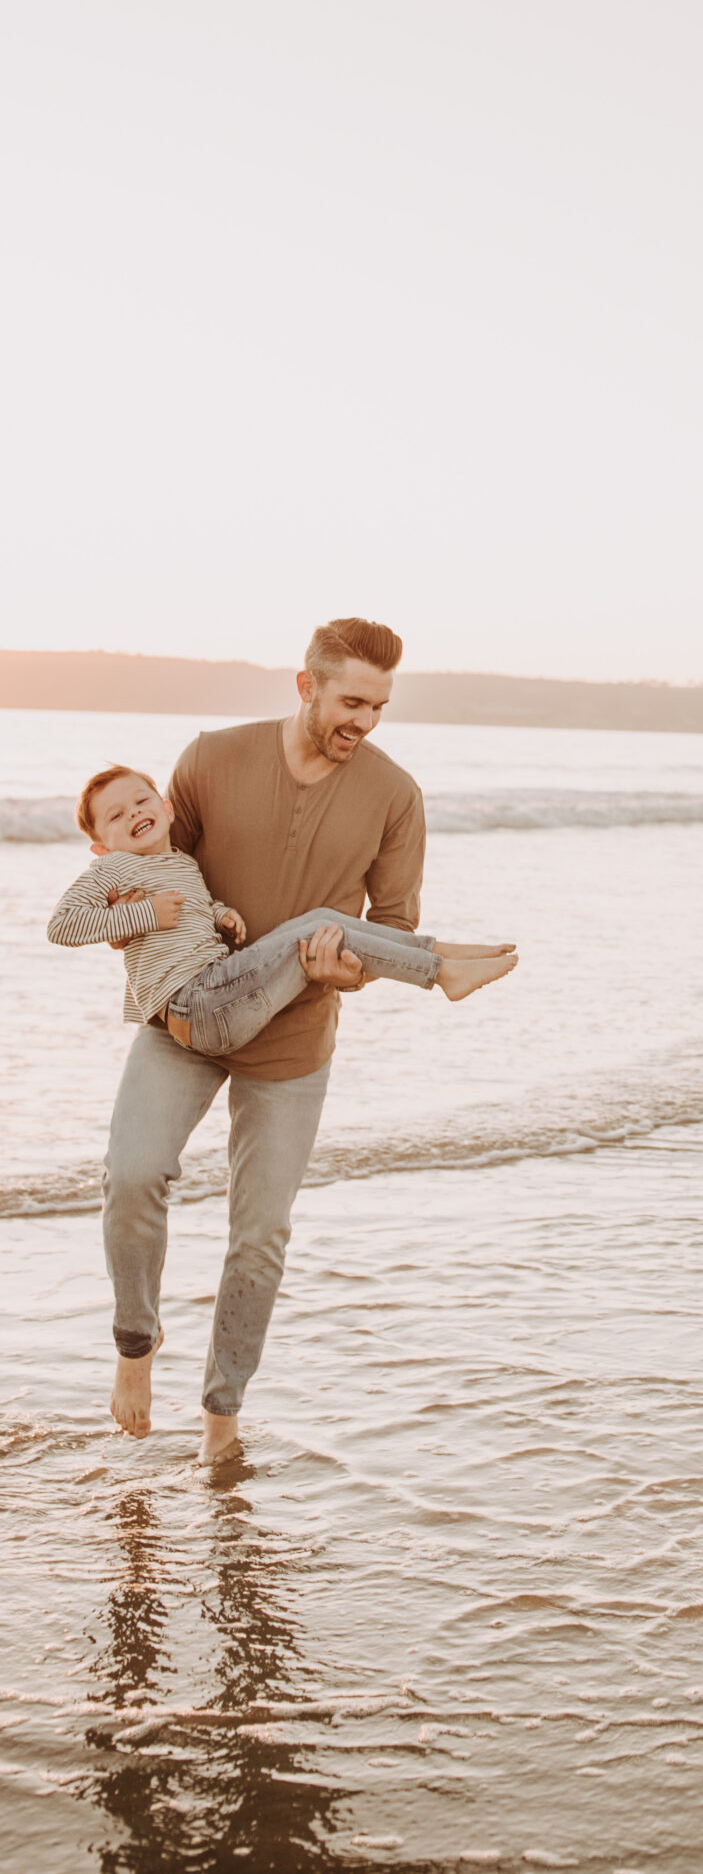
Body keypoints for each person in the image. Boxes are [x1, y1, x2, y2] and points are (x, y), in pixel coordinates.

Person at [93, 616, 500, 1465]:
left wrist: (345, 972)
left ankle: (221, 1421)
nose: (366, 721)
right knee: (132, 1177)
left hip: (295, 1038)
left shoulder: (395, 795)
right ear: (306, 685)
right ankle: (137, 1348)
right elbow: (161, 873)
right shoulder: (211, 758)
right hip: (186, 1024)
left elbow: (388, 926)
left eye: (381, 706)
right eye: (352, 700)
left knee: (259, 1236)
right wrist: (125, 929)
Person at [51, 765, 514, 1051]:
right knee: (310, 931)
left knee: (321, 919)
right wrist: (145, 915)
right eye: (115, 816)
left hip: (218, 994)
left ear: (168, 809)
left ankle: (442, 953)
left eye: (140, 801)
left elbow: (188, 911)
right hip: (196, 1005)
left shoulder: (180, 863)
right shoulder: (113, 873)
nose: (132, 813)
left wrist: (217, 914)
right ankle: (439, 972)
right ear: (101, 849)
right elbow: (62, 926)